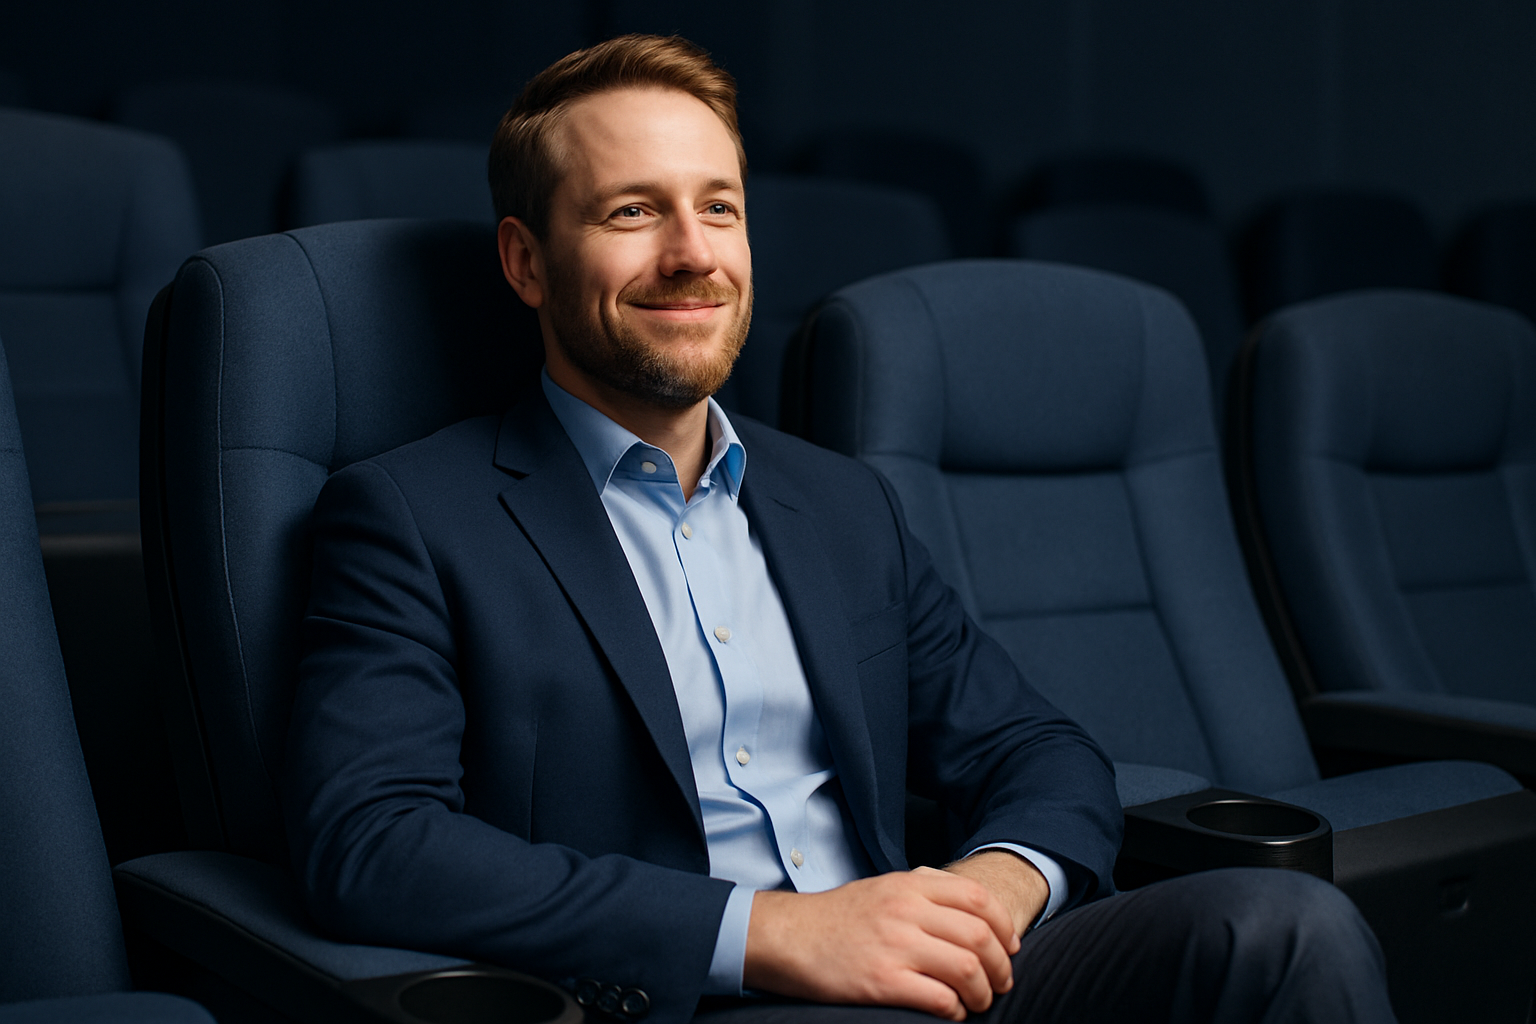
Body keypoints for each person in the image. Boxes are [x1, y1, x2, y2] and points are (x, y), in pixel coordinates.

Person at [283, 34, 1396, 1024]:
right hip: (704, 993)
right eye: (633, 210)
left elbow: (1036, 747)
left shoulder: (838, 502)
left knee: (1289, 926)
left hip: (929, 966)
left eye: (718, 206)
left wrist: (991, 894)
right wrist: (769, 932)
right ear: (526, 260)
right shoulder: (411, 515)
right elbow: (373, 843)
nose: (691, 251)